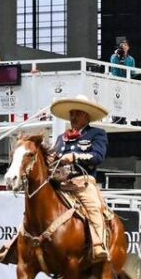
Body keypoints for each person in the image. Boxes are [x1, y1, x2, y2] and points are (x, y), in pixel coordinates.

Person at [49, 94, 110, 262]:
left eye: (77, 113)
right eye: (71, 113)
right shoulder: (62, 138)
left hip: (82, 182)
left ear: (86, 116)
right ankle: (16, 242)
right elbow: (53, 156)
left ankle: (98, 245)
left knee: (94, 207)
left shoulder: (97, 134)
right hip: (60, 183)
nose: (73, 117)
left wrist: (74, 157)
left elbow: (98, 157)